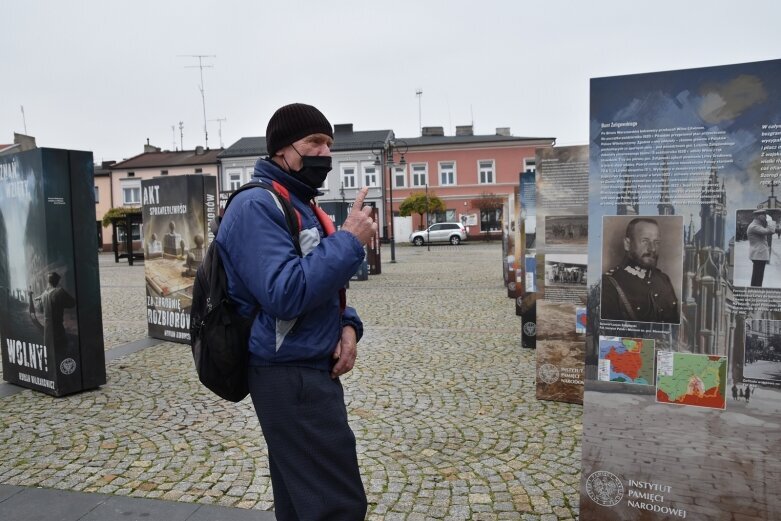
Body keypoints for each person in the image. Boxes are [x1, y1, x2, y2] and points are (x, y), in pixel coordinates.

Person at [216, 103, 376, 521]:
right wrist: (349, 241)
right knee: (335, 505)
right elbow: (284, 293)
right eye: (314, 143)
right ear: (282, 150)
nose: (324, 153)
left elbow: (322, 287)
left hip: (307, 365)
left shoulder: (300, 203)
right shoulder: (257, 206)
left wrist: (347, 325)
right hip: (286, 371)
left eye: (329, 143)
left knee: (302, 502)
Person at [601, 218, 679, 323]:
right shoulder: (609, 284)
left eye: (656, 242)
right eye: (645, 241)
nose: (652, 249)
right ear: (627, 244)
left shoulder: (664, 280)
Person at [34, 272, 76, 352]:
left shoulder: (43, 294)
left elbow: (40, 309)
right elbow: (72, 303)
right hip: (57, 326)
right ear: (56, 281)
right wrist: (61, 303)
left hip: (47, 327)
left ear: (49, 282)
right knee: (61, 349)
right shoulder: (60, 292)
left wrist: (42, 299)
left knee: (49, 349)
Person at [747, 209, 776, 287]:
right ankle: (755, 292)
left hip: (759, 254)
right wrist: (770, 221)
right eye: (764, 215)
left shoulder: (757, 225)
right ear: (759, 216)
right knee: (757, 278)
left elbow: (767, 229)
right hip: (758, 254)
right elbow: (770, 231)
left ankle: (754, 291)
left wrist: (767, 222)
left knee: (758, 277)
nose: (765, 217)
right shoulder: (754, 226)